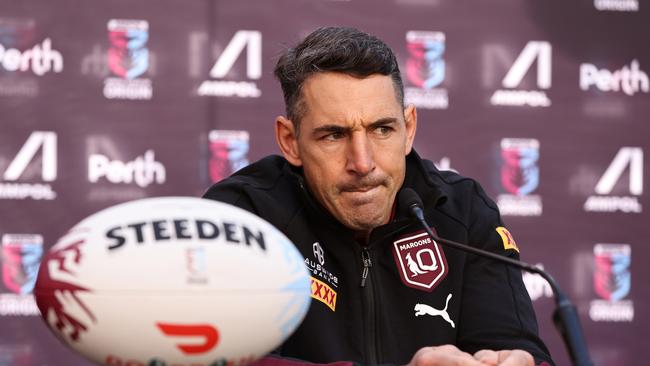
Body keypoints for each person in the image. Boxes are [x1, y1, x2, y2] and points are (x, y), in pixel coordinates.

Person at [203, 27, 554, 366]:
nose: (363, 162)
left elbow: (516, 347)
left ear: (409, 128)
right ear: (290, 141)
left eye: (382, 129)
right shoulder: (241, 218)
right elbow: (212, 358)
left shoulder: (462, 212)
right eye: (334, 135)